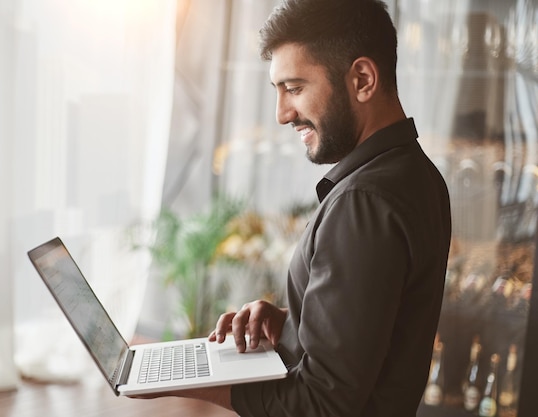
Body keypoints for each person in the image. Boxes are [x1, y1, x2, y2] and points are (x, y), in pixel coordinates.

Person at [138, 0, 452, 415]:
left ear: (362, 79)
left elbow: (322, 404)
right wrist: (295, 322)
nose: (282, 114)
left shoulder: (363, 203)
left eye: (295, 88)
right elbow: (380, 329)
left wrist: (192, 382)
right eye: (277, 90)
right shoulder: (417, 173)